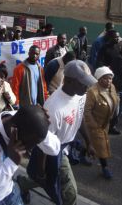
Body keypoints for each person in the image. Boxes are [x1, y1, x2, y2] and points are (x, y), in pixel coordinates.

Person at [18, 60, 97, 205]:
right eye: (83, 83)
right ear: (68, 80)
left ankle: (24, 183)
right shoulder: (53, 108)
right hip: (53, 151)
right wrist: (42, 170)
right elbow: (43, 145)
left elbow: (79, 116)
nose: (87, 87)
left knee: (49, 180)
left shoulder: (81, 94)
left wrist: (89, 142)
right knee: (69, 192)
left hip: (66, 146)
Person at [0, 105, 61, 205]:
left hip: (9, 193)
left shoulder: (25, 122)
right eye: (27, 144)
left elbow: (55, 149)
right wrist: (11, 163)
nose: (29, 150)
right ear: (14, 130)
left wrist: (42, 123)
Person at [85, 66, 118, 179]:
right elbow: (87, 111)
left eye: (110, 78)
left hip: (106, 122)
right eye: (105, 78)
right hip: (96, 124)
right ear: (99, 79)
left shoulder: (112, 87)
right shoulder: (92, 92)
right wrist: (93, 125)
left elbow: (114, 100)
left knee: (94, 144)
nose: (108, 81)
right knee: (101, 146)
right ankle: (105, 167)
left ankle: (81, 152)